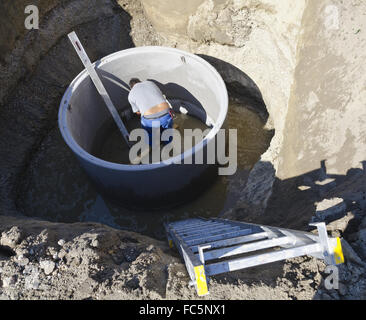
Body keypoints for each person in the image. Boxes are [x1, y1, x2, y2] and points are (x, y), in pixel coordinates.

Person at [128, 78, 174, 146]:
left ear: (131, 87)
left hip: (150, 120)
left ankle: (154, 144)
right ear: (140, 81)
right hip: (166, 114)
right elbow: (160, 95)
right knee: (167, 132)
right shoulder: (150, 83)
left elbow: (137, 112)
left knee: (149, 133)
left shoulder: (131, 95)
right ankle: (168, 144)